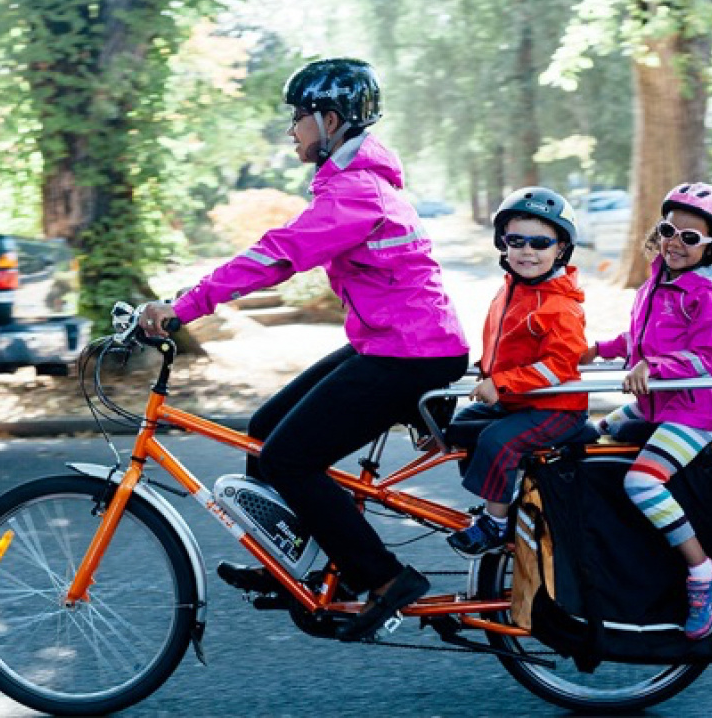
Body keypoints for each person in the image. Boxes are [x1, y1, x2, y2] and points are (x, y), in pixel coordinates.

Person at [142, 58, 470, 642]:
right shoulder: (355, 182)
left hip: (411, 355)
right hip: (393, 343)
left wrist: (184, 306)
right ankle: (287, 564)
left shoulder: (356, 191)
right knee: (264, 431)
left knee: (289, 459)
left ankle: (384, 578)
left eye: (298, 117)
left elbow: (277, 255)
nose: (291, 129)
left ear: (330, 120)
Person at [580, 181, 712, 640]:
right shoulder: (660, 280)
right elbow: (643, 339)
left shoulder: (705, 292)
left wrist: (655, 367)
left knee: (641, 482)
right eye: (667, 231)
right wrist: (599, 349)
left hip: (695, 413)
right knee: (592, 434)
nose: (675, 242)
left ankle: (705, 573)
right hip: (654, 404)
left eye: (690, 237)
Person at [445, 187, 590, 556]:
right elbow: (504, 343)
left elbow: (561, 365)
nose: (527, 251)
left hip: (556, 408)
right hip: (519, 400)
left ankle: (495, 524)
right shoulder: (512, 288)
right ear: (503, 243)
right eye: (516, 241)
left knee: (498, 441)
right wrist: (486, 371)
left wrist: (502, 382)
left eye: (540, 243)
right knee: (459, 427)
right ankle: (502, 497)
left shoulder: (560, 305)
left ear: (561, 248)